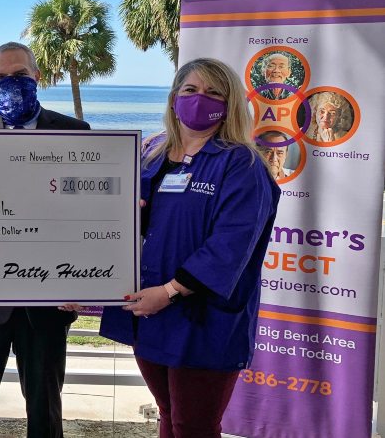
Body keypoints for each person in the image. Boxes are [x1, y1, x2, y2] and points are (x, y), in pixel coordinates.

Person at [100, 58, 281, 438]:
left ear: (230, 104)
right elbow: (117, 229)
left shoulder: (242, 164)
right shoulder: (151, 156)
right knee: (169, 417)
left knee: (193, 426)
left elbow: (231, 245)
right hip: (149, 314)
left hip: (202, 319)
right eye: (191, 90)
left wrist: (168, 292)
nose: (201, 99)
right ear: (173, 99)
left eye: (214, 92)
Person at [0, 42, 88, 438]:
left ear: (38, 75)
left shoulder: (75, 132)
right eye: (1, 77)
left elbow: (86, 215)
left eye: (21, 75)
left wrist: (87, 280)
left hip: (47, 303)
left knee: (45, 412)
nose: (11, 83)